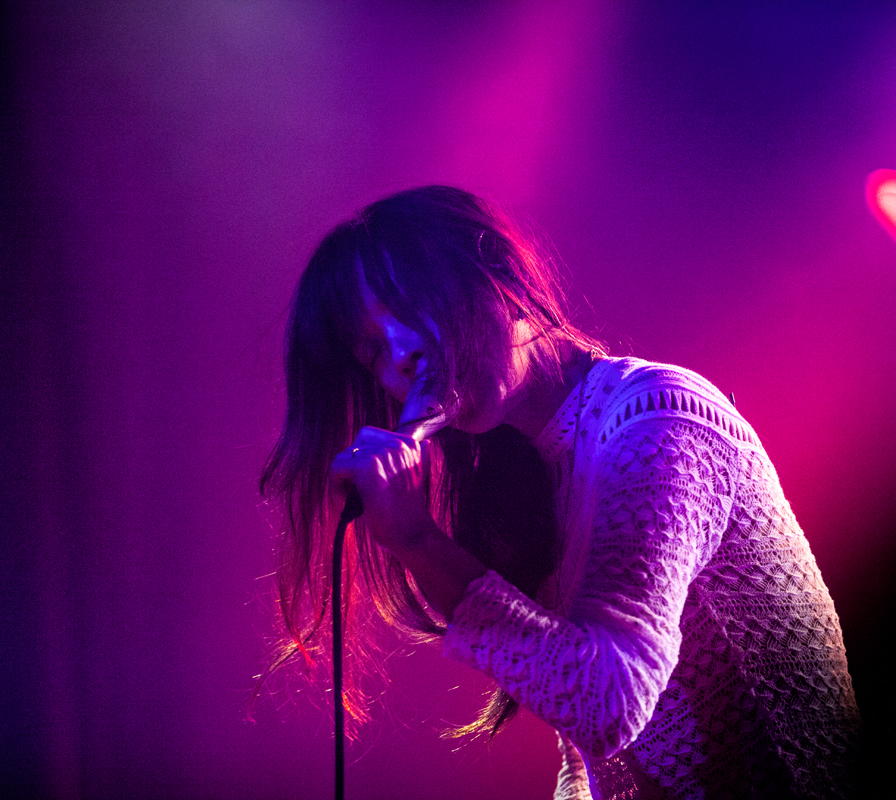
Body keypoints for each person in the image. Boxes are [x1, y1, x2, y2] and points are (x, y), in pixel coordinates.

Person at [258, 186, 859, 798]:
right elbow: (589, 756)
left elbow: (609, 704)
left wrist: (416, 538)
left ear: (496, 274)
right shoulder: (526, 472)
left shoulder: (657, 418)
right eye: (373, 350)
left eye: (411, 307)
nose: (402, 354)